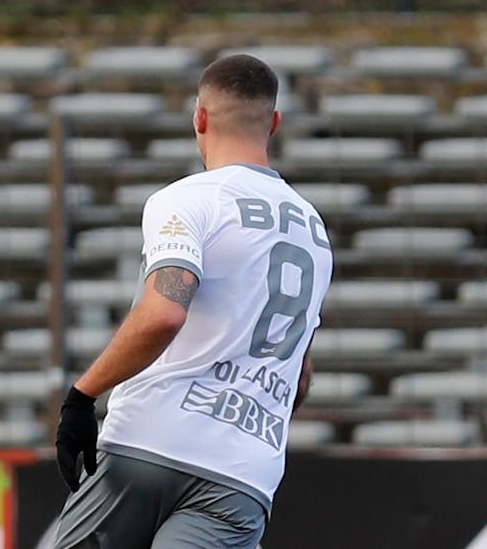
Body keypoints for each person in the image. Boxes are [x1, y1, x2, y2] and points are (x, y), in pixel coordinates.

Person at [51, 54, 334, 549]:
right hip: (243, 474)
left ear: (199, 118)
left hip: (150, 442)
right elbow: (300, 376)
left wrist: (81, 396)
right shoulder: (315, 232)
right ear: (274, 123)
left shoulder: (190, 199)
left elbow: (164, 312)